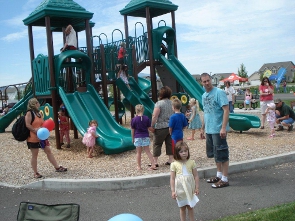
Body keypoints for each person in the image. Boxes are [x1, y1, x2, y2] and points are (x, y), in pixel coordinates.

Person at [200, 73, 230, 188]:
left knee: (222, 153)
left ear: (211, 80)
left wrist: (223, 127)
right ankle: (219, 175)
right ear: (201, 82)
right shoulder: (204, 96)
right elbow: (206, 112)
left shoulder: (219, 92)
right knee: (215, 154)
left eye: (208, 80)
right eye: (204, 81)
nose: (207, 83)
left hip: (218, 129)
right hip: (209, 129)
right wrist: (202, 128)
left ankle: (225, 178)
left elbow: (226, 110)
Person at [25, 98, 67, 178]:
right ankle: (35, 172)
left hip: (42, 137)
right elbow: (27, 124)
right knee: (35, 155)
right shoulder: (29, 113)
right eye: (37, 102)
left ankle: (57, 167)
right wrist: (35, 130)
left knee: (48, 151)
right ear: (34, 104)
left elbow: (42, 124)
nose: (39, 103)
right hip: (33, 137)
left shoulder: (38, 113)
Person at [170, 141, 199, 221]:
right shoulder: (174, 164)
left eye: (185, 151)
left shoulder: (192, 162)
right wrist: (173, 191)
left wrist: (197, 187)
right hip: (180, 189)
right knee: (182, 207)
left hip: (190, 188)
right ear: (176, 153)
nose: (184, 153)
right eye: (181, 151)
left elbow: (196, 176)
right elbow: (172, 178)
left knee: (190, 206)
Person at [150, 86, 174, 167]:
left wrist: (152, 125)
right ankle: (171, 159)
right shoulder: (172, 103)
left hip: (160, 126)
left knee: (157, 143)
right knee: (169, 143)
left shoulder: (159, 103)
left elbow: (155, 116)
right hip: (171, 126)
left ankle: (155, 161)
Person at [131, 104, 157, 171]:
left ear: (136, 110)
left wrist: (133, 138)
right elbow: (149, 128)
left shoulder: (134, 119)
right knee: (148, 151)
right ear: (143, 110)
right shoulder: (146, 118)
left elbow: (132, 130)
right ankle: (153, 164)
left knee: (138, 153)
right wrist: (154, 130)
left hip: (137, 137)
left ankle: (139, 167)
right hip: (145, 136)